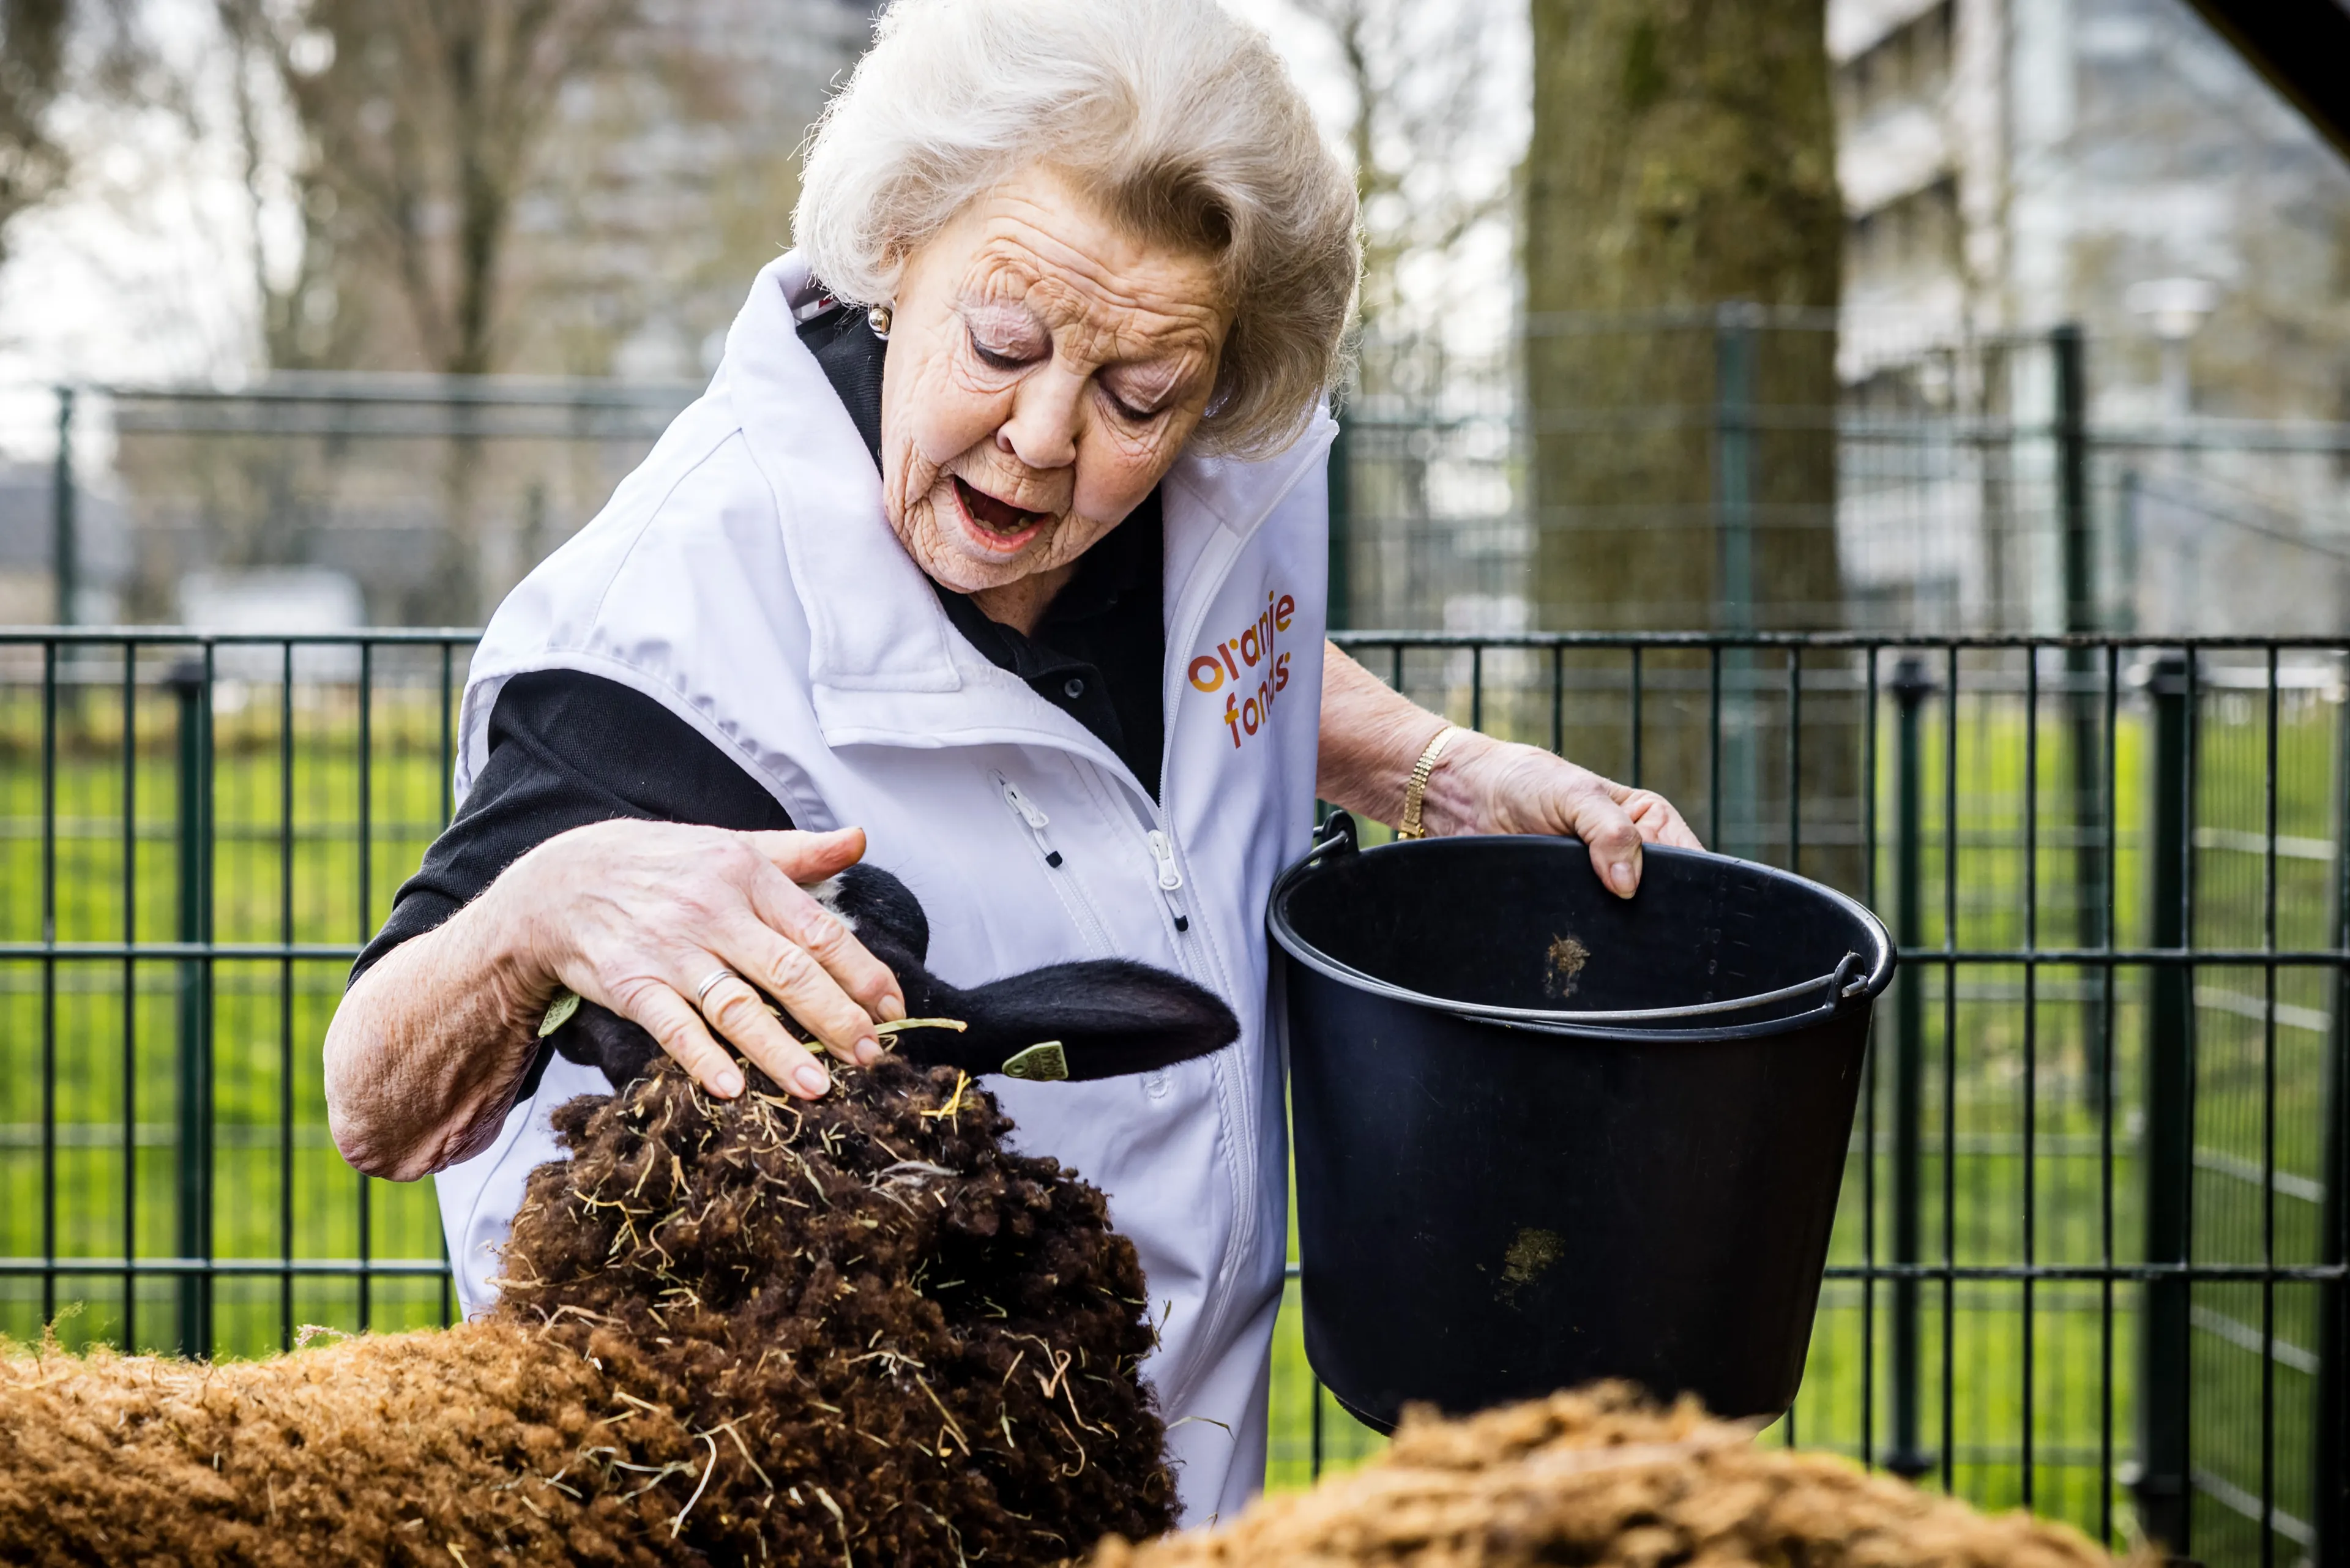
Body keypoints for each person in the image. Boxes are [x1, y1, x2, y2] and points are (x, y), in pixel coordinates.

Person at [323, 0, 1698, 1524]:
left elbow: (1212, 652)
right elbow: (375, 1102)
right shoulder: (663, 637)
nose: (1048, 435)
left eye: (1138, 396)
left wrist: (1442, 770)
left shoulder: (1200, 487)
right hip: (793, 1508)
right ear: (898, 251)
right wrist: (546, 907)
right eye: (1004, 342)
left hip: (1160, 1456)